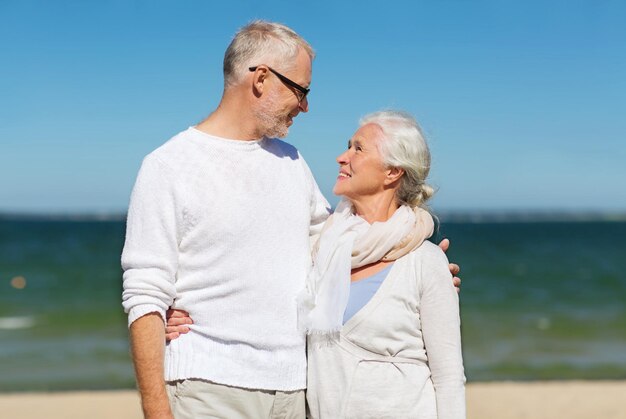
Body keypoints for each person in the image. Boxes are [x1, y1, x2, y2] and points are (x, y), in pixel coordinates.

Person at [125, 20, 460, 419]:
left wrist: (419, 269)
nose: (305, 106)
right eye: (300, 90)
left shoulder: (291, 162)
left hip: (295, 393)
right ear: (262, 79)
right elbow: (145, 294)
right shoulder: (169, 166)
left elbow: (338, 245)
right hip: (209, 390)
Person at [302, 110, 465, 418]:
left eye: (358, 149)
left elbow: (449, 377)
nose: (341, 157)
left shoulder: (424, 262)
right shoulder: (320, 250)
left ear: (392, 172)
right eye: (347, 146)